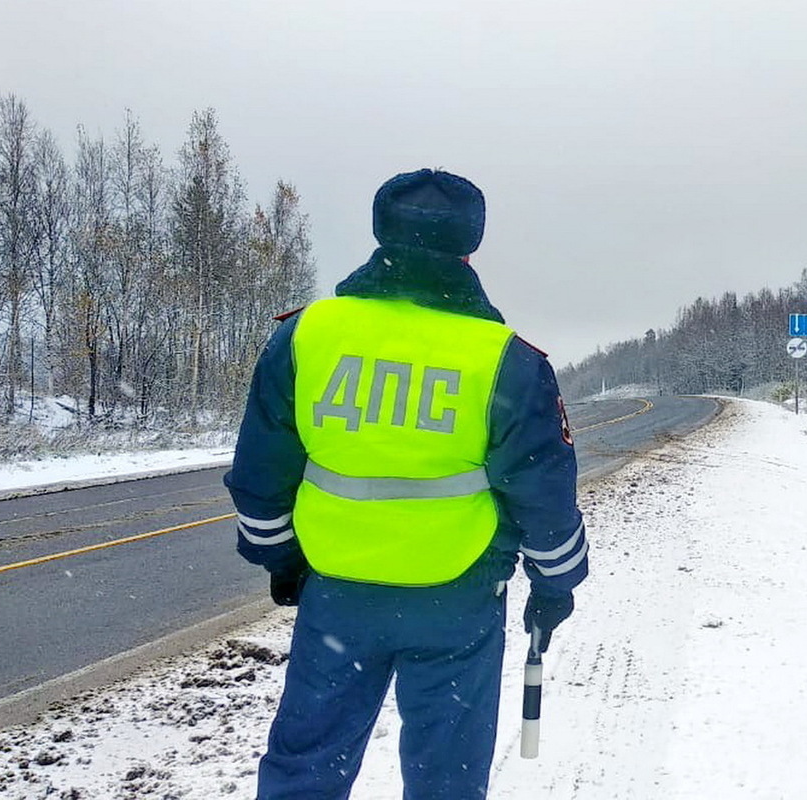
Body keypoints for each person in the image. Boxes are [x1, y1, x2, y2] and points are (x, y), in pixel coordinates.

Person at [224, 168, 588, 799]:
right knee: (446, 777)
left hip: (337, 591)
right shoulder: (505, 358)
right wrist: (556, 582)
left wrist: (281, 559)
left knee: (307, 766)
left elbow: (261, 473)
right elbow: (544, 497)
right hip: (458, 598)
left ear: (380, 233)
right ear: (469, 246)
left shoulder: (307, 334)